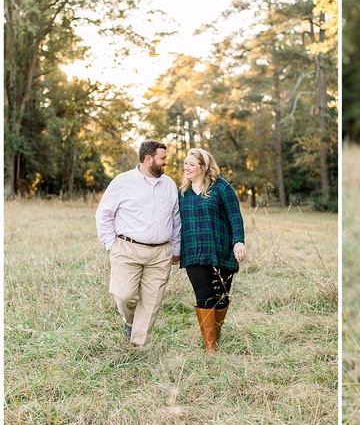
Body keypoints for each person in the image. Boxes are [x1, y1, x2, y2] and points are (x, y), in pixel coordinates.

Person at [95, 140, 181, 348]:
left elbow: (176, 218)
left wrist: (176, 249)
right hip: (127, 249)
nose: (166, 163)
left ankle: (138, 348)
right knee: (124, 295)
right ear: (148, 159)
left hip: (161, 252)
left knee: (151, 302)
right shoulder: (122, 182)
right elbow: (104, 214)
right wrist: (110, 244)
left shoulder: (169, 184)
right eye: (162, 158)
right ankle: (129, 321)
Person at [178, 148, 246, 353]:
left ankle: (215, 334)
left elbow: (235, 216)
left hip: (221, 250)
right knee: (204, 296)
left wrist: (239, 242)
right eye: (185, 164)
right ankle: (211, 346)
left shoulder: (221, 188)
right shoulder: (182, 192)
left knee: (221, 297)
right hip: (193, 251)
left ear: (204, 167)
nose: (186, 168)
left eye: (191, 164)